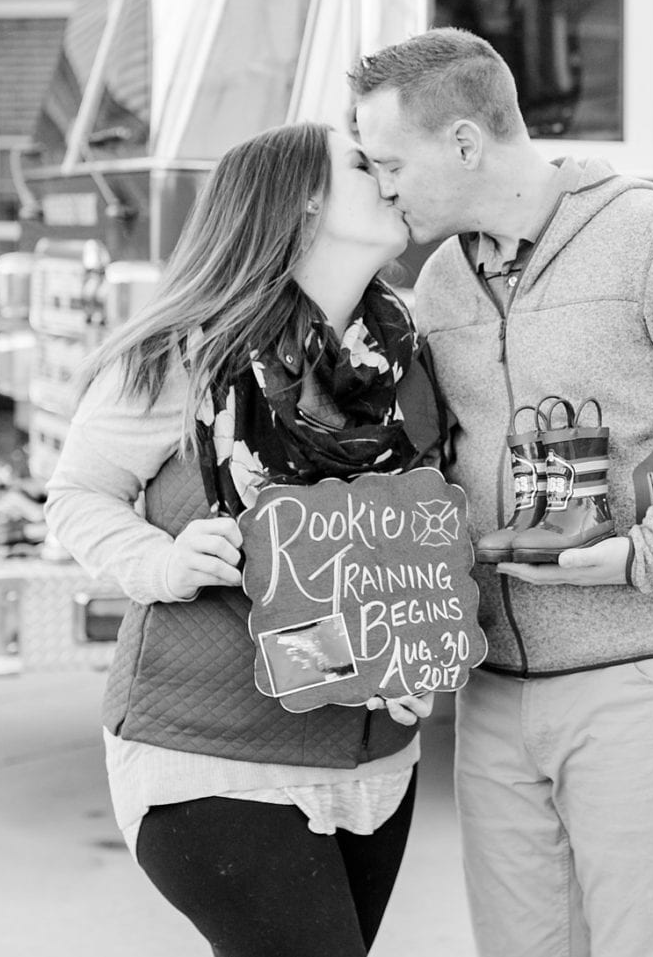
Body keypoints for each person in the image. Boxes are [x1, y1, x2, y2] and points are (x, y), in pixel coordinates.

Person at [351, 28, 653, 956]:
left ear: (466, 144)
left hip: (649, 675)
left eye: (390, 162)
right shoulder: (440, 279)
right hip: (496, 696)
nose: (381, 185)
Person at [44, 121, 445, 957]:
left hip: (373, 764)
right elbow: (78, 495)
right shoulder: (182, 354)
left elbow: (399, 544)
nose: (392, 175)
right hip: (210, 754)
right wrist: (163, 560)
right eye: (365, 164)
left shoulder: (405, 358)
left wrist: (415, 656)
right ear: (303, 203)